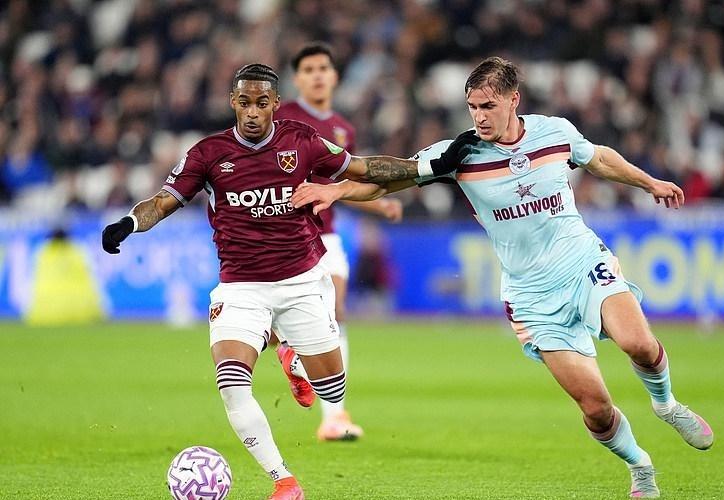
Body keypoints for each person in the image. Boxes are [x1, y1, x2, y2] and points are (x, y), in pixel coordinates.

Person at [291, 57, 714, 498]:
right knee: (596, 408)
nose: (479, 116)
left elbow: (599, 159)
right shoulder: (458, 154)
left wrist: (649, 183)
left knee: (639, 344)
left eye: (488, 106)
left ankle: (667, 405)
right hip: (531, 295)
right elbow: (388, 177)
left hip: (583, 262)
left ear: (514, 100)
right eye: (472, 107)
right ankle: (640, 465)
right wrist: (337, 188)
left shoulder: (554, 132)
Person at [101, 62, 469, 500]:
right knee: (231, 384)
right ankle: (284, 480)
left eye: (261, 103)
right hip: (240, 288)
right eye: (244, 102)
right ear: (232, 102)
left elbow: (364, 169)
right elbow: (163, 202)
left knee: (333, 386)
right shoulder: (208, 153)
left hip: (302, 282)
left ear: (275, 103)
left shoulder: (302, 141)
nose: (252, 112)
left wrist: (426, 167)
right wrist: (128, 223)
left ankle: (291, 356)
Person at [272, 42, 403, 441]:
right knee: (274, 324)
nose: (316, 75)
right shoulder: (281, 118)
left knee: (335, 311)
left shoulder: (343, 128)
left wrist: (379, 205)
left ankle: (334, 416)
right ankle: (290, 351)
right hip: (286, 234)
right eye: (308, 69)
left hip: (326, 234)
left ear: (335, 76)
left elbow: (344, 181)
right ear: (297, 79)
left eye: (322, 68)